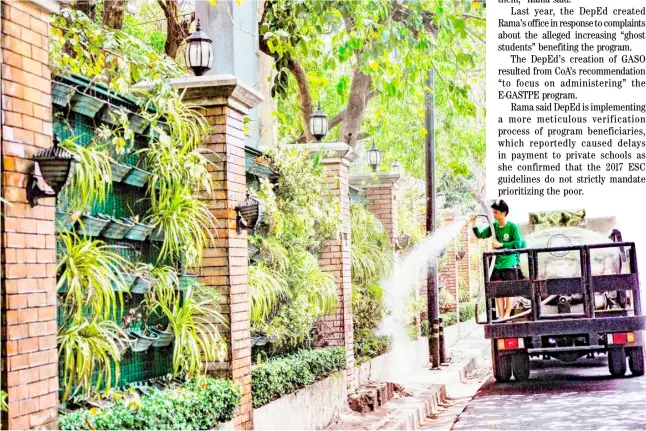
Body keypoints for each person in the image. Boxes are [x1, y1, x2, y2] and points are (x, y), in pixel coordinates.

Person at [471, 199, 525, 320]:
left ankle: (507, 315)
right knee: (498, 292)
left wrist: (502, 245)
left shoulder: (512, 227)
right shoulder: (493, 226)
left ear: (504, 213)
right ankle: (501, 316)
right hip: (496, 264)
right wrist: (474, 224)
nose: (493, 215)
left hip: (509, 263)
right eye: (493, 212)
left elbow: (518, 243)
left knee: (508, 291)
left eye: (496, 212)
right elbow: (480, 235)